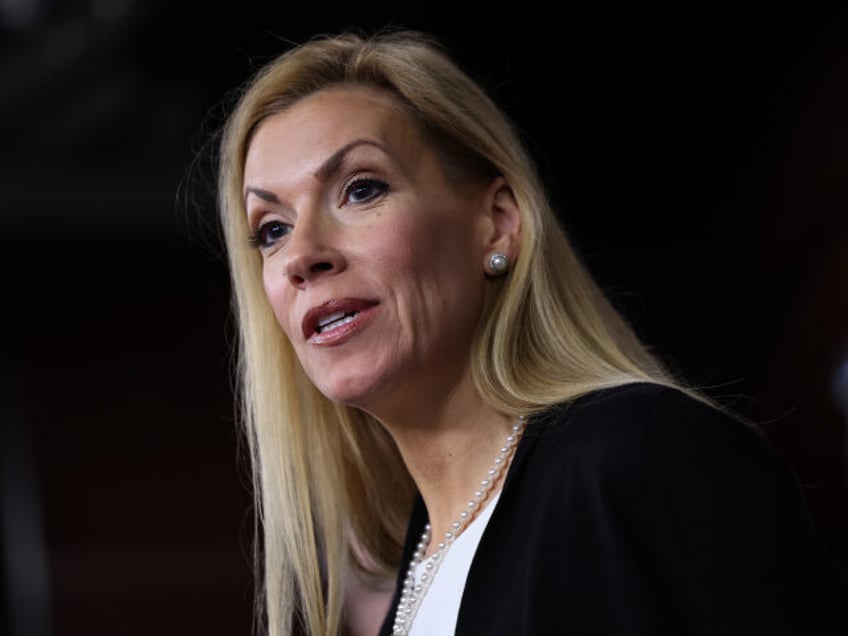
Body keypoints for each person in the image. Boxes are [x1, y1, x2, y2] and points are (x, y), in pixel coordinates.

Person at [213, 28, 848, 635]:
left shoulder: (643, 453)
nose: (302, 255)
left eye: (360, 189)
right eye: (272, 229)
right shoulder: (418, 569)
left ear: (497, 224)